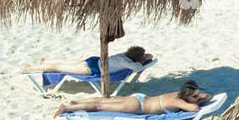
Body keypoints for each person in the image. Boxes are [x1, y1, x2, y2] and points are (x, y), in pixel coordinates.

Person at [54, 80, 212, 117]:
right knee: (100, 106)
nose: (198, 97)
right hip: (138, 107)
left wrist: (198, 96)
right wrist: (197, 101)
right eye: (195, 95)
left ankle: (78, 102)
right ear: (186, 96)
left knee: (102, 101)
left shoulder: (177, 94)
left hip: (139, 99)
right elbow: (194, 108)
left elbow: (207, 96)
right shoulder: (177, 101)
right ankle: (66, 108)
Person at [21, 45, 153, 77]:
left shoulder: (123, 55)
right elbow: (138, 68)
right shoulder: (127, 63)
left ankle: (45, 62)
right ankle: (30, 69)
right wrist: (146, 58)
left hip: (94, 60)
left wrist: (144, 56)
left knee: (65, 63)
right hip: (93, 69)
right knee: (59, 67)